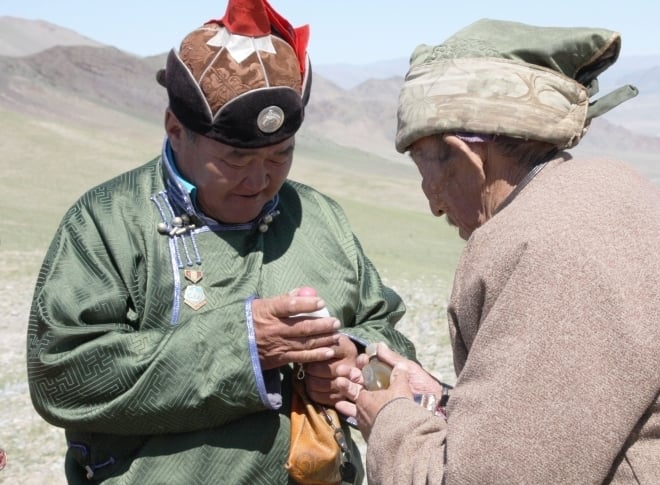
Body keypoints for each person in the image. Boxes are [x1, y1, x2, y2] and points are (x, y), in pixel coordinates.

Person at [25, 0, 415, 483]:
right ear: (176, 130)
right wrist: (244, 345)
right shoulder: (107, 222)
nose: (261, 178)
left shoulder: (319, 216)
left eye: (282, 154)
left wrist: (356, 359)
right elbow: (62, 379)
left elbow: (385, 331)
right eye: (235, 158)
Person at [335, 18, 660, 484]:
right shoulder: (615, 198)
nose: (433, 202)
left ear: (466, 157)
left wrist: (391, 420)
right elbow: (569, 419)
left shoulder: (548, 250)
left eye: (425, 169)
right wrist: (443, 402)